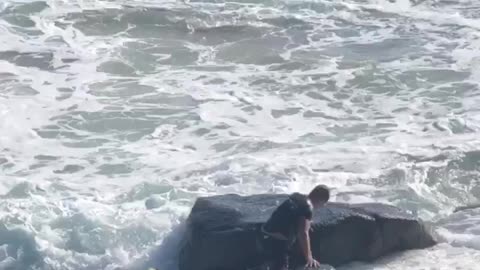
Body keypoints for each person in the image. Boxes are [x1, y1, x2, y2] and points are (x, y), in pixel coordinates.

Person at [260, 185, 330, 270]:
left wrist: (307, 223)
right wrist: (309, 257)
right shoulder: (308, 207)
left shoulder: (297, 196)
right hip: (276, 241)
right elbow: (303, 233)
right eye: (323, 204)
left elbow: (291, 214)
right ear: (321, 200)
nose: (322, 206)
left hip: (265, 232)